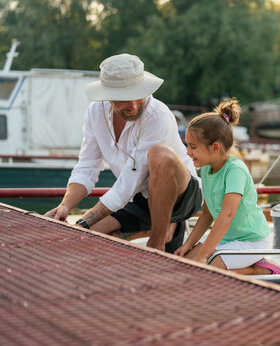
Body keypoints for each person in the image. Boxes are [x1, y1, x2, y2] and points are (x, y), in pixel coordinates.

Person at [45, 54, 201, 253]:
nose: (134, 106)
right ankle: (160, 226)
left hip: (182, 195)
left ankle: (159, 241)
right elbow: (87, 167)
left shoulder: (158, 116)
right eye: (124, 99)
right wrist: (65, 207)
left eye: (139, 94)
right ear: (107, 95)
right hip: (138, 197)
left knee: (160, 156)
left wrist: (84, 221)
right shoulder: (94, 113)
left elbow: (130, 180)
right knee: (80, 238)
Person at [174, 98, 280, 275]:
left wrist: (203, 255)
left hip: (252, 241)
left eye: (193, 146)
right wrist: (188, 245)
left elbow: (226, 216)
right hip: (228, 239)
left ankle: (257, 270)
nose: (188, 151)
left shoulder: (235, 170)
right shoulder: (206, 170)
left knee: (205, 270)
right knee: (183, 263)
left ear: (215, 147)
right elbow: (207, 215)